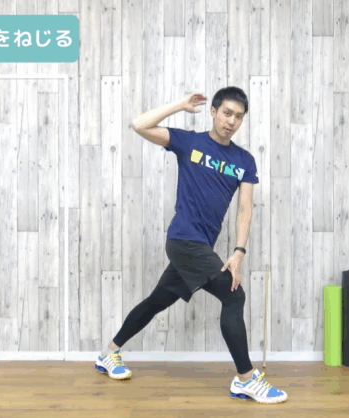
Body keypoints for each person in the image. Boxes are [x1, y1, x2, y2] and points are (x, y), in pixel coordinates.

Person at [93, 87, 288, 404]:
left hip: (199, 246)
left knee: (157, 301)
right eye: (226, 113)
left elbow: (244, 210)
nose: (231, 121)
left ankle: (108, 353)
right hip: (183, 239)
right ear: (213, 112)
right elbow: (139, 124)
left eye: (238, 116)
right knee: (233, 295)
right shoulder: (189, 143)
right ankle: (246, 379)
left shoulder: (244, 160)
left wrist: (238, 252)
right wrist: (179, 105)